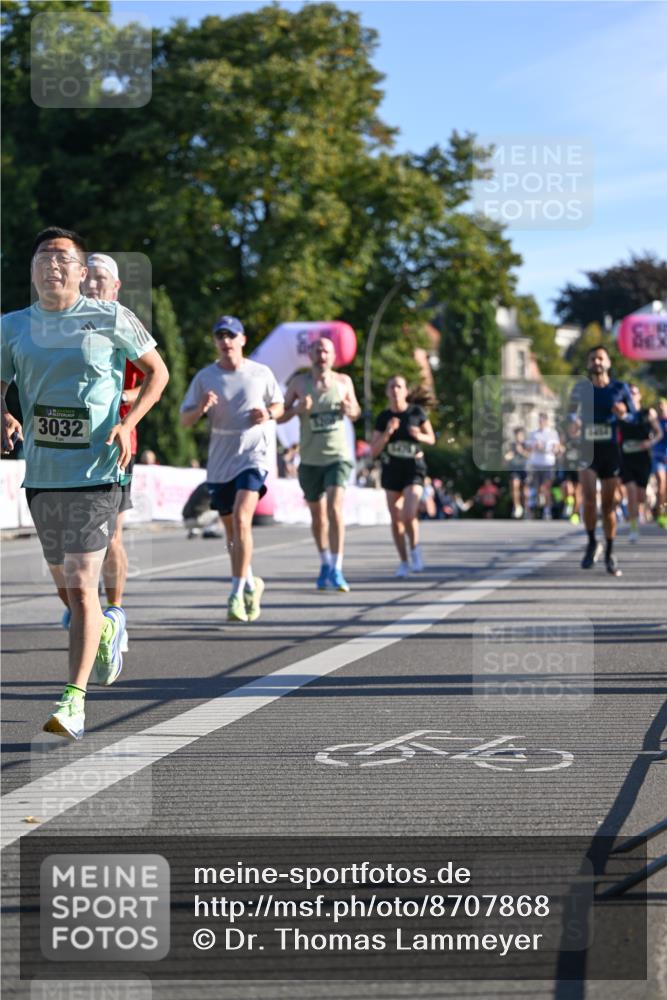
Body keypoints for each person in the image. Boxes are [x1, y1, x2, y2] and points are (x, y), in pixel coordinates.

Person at [1, 227, 168, 739]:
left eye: (62, 258)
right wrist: (4, 415)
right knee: (70, 594)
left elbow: (158, 373)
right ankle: (107, 626)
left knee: (79, 580)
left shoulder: (110, 317)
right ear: (32, 271)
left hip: (98, 470)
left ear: (79, 271)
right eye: (43, 257)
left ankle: (72, 701)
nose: (52, 265)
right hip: (43, 474)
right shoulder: (13, 326)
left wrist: (128, 422)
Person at [57, 252, 142, 651]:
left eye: (101, 279)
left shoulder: (123, 322)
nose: (92, 285)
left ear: (116, 287)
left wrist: (123, 399)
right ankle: (83, 605)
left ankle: (115, 612)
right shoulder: (62, 322)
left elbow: (154, 379)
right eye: (87, 277)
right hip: (68, 446)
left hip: (113, 445)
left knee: (111, 536)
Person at [179, 315, 284, 622]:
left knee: (241, 518)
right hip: (221, 458)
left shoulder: (260, 373)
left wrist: (267, 413)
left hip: (253, 454)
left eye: (231, 335)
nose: (225, 341)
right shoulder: (205, 377)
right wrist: (201, 408)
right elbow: (185, 420)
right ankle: (251, 582)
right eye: (220, 336)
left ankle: (236, 594)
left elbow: (279, 405)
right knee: (231, 533)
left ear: (242, 340)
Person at [278, 336, 360, 592]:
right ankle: (325, 561)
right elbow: (280, 416)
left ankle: (337, 568)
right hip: (310, 460)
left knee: (334, 509)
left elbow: (356, 412)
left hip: (338, 457)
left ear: (333, 357)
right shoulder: (299, 383)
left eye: (326, 351)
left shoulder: (343, 382)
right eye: (317, 351)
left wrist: (350, 410)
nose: (322, 355)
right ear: (310, 356)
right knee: (318, 516)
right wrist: (297, 408)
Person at [569, 345, 636, 576]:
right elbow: (570, 413)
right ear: (588, 364)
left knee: (608, 506)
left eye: (600, 358)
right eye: (592, 359)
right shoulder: (580, 388)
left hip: (611, 451)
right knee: (589, 500)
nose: (596, 362)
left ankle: (609, 552)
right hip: (587, 449)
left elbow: (635, 416)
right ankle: (591, 542)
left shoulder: (620, 388)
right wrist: (573, 422)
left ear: (608, 362)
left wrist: (624, 413)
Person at [370, 376, 435, 577]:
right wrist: (387, 433)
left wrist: (418, 435)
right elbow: (373, 451)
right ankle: (404, 561)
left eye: (399, 386)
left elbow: (432, 439)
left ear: (406, 391)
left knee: (408, 514)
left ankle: (415, 550)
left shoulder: (416, 412)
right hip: (392, 469)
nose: (395, 390)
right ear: (387, 392)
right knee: (396, 518)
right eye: (392, 386)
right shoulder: (383, 417)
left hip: (414, 469)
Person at [619, 384, 663, 542]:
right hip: (626, 458)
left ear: (639, 396)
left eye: (634, 392)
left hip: (643, 458)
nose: (632, 395)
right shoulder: (622, 413)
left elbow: (659, 433)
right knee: (630, 492)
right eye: (629, 393)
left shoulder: (647, 413)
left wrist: (650, 443)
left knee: (640, 496)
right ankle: (633, 527)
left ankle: (643, 514)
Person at [526, 412, 560, 518]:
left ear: (546, 421)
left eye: (543, 420)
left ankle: (547, 510)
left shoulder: (553, 433)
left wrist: (546, 448)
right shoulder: (533, 433)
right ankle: (533, 510)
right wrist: (535, 446)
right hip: (536, 464)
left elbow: (557, 448)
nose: (541, 422)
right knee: (535, 488)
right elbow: (528, 448)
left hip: (548, 464)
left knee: (546, 487)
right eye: (539, 420)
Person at [504, 426, 529, 519]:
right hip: (515, 469)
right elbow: (508, 455)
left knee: (525, 491)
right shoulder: (512, 445)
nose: (518, 437)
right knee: (515, 485)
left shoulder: (526, 444)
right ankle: (517, 507)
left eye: (520, 435)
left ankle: (526, 508)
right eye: (516, 435)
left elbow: (530, 455)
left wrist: (521, 451)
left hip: (525, 469)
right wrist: (507, 457)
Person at [652, 398, 667, 529]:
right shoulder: (654, 422)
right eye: (659, 406)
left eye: (663, 405)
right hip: (658, 457)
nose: (661, 408)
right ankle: (660, 514)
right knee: (661, 484)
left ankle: (664, 513)